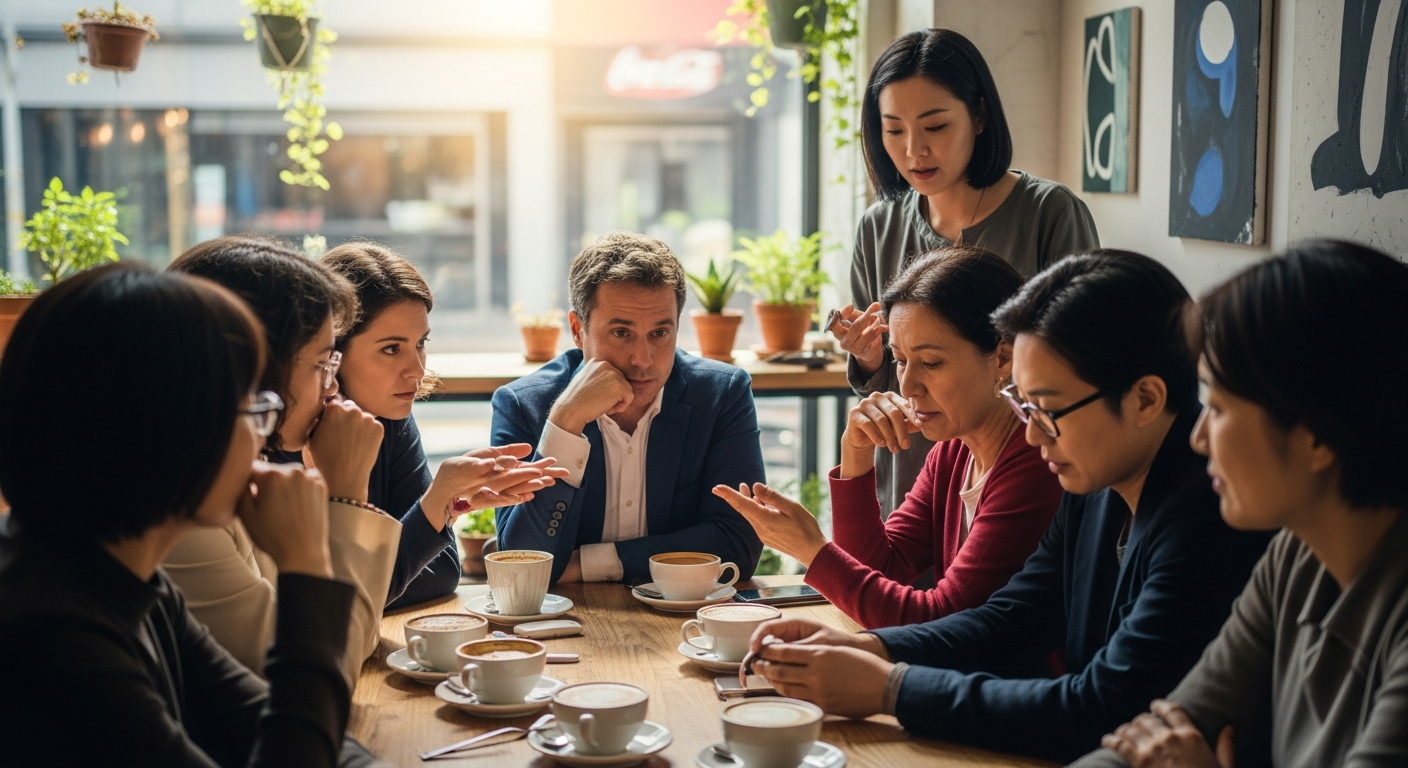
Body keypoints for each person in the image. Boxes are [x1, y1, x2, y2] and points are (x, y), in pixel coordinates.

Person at [738, 250, 1272, 763]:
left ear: (1146, 400)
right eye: (1026, 405)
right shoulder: (1097, 481)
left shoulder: (1210, 516)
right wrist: (873, 648)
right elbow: (1012, 617)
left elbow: (1100, 705)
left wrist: (890, 688)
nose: (1034, 437)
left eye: (1048, 409)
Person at [0, 263, 387, 766]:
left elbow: (299, 732)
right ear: (166, 425)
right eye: (249, 400)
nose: (262, 431)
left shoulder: (131, 584)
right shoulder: (51, 640)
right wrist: (306, 568)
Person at [1076, 241, 1408, 768]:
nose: (1199, 437)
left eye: (1220, 406)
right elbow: (1149, 741)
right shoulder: (1294, 557)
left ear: (1317, 436)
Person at [163, 236, 552, 682]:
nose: (418, 370)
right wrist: (350, 498)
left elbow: (430, 579)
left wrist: (432, 506)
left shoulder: (371, 427)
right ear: (254, 367)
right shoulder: (199, 504)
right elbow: (327, 661)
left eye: (421, 343)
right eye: (323, 364)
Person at [714, 246, 1061, 628]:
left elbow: (941, 621)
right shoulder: (952, 453)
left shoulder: (1037, 463)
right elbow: (881, 568)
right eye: (899, 359)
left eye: (931, 362)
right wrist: (855, 455)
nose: (908, 384)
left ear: (1002, 358)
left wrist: (813, 551)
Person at [833, 28, 1100, 519]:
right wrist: (872, 360)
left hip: (1021, 489)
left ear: (979, 116)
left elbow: (1082, 366)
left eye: (935, 127)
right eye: (894, 130)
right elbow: (896, 382)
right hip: (912, 486)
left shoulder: (1049, 214)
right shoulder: (879, 226)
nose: (914, 150)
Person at [492, 232, 765, 584]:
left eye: (659, 333)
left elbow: (738, 545)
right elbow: (519, 566)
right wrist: (565, 423)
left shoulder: (721, 395)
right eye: (621, 333)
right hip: (567, 622)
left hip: (686, 618)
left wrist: (589, 564)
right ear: (578, 330)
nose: (643, 360)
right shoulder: (524, 405)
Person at [321, 242, 566, 609]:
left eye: (420, 344)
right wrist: (438, 500)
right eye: (391, 349)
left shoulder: (390, 420)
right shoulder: (287, 441)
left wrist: (446, 502)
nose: (417, 370)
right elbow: (346, 604)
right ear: (332, 352)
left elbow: (439, 573)